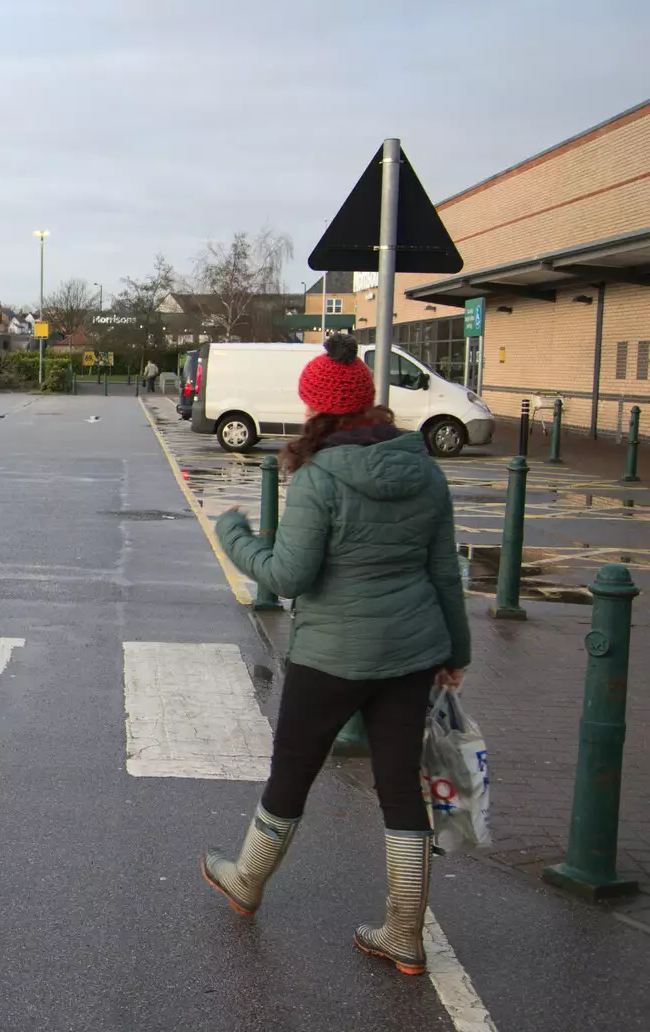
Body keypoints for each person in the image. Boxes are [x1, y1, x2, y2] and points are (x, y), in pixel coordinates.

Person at [199, 333, 470, 976]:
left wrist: (233, 532)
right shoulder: (426, 470)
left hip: (330, 657)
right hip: (411, 654)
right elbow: (444, 573)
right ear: (370, 403)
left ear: (316, 407)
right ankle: (404, 933)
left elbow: (289, 575)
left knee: (292, 772)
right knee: (401, 789)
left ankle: (247, 881)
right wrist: (456, 651)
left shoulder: (318, 477)